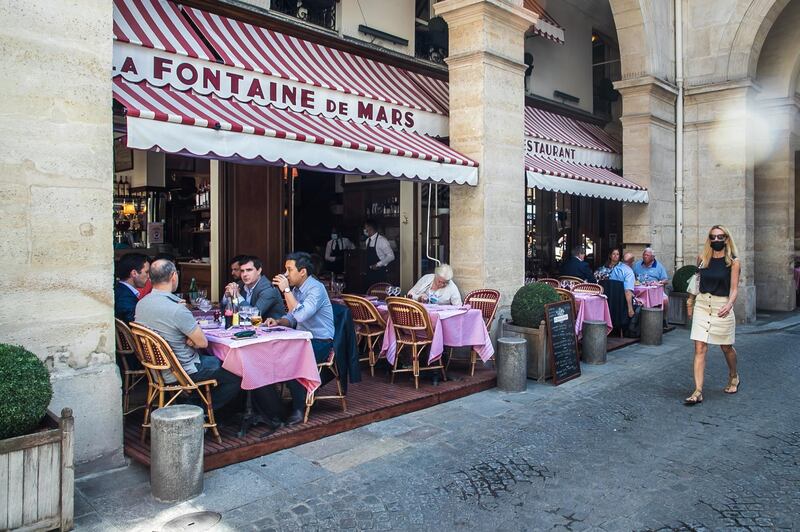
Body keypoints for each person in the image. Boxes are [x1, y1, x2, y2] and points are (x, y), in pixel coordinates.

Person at [135, 259, 241, 411]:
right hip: (184, 369)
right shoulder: (177, 310)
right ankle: (197, 410)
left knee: (218, 362)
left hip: (157, 369)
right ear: (173, 276)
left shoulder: (142, 304)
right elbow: (203, 343)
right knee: (235, 372)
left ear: (151, 278)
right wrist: (191, 338)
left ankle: (189, 402)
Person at [256, 252, 335, 425]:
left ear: (303, 272)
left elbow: (301, 315)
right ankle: (272, 407)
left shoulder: (316, 289)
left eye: (289, 270)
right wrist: (277, 321)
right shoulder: (297, 289)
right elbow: (292, 318)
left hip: (320, 341)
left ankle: (298, 408)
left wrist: (285, 290)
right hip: (301, 340)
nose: (285, 274)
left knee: (291, 361)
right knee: (270, 357)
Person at [684, 225, 741, 406]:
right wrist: (690, 303)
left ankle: (733, 375)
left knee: (726, 347)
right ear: (709, 239)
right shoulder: (702, 258)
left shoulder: (733, 261)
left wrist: (729, 304)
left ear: (726, 238)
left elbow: (734, 289)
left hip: (721, 305)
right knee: (699, 348)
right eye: (713, 237)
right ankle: (698, 391)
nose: (716, 240)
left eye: (720, 237)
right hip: (702, 304)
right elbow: (696, 282)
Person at [114, 253, 150, 323]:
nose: (148, 276)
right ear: (134, 273)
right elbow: (136, 327)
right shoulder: (125, 299)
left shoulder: (119, 290)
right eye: (146, 272)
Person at [363, 219, 395, 286]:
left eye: (365, 228)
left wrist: (378, 264)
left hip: (379, 273)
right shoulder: (367, 240)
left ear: (370, 228)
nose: (364, 230)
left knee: (379, 292)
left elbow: (391, 256)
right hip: (369, 272)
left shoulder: (382, 240)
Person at [609, 252, 637, 319]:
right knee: (641, 304)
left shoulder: (615, 268)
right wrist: (630, 309)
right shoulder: (629, 272)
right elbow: (627, 291)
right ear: (631, 261)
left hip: (612, 300)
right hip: (623, 302)